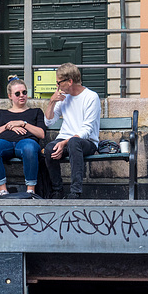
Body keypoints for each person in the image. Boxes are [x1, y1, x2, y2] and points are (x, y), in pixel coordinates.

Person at [42, 63, 101, 200]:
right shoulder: (63, 98)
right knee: (49, 149)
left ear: (69, 82)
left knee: (74, 142)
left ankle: (75, 192)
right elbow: (48, 121)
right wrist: (52, 102)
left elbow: (86, 130)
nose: (57, 86)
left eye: (58, 82)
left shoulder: (91, 97)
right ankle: (57, 190)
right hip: (66, 139)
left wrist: (64, 143)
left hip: (86, 142)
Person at [0, 76, 46, 197]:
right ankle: (2, 191)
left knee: (29, 148)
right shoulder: (1, 113)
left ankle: (31, 190)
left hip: (26, 142)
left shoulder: (36, 112)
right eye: (17, 93)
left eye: (24, 92)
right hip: (4, 142)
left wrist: (23, 123)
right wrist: (8, 126)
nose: (22, 95)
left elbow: (41, 133)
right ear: (10, 96)